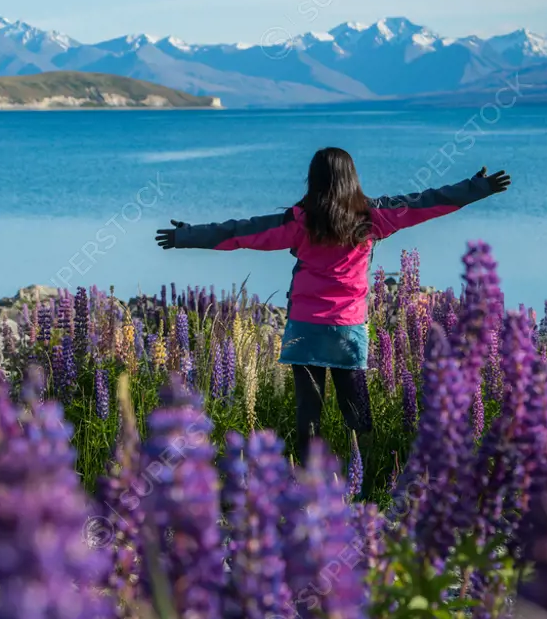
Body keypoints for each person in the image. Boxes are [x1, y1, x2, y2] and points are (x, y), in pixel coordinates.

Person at [154, 147, 511, 466]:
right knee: (355, 405)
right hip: (348, 328)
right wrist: (477, 188)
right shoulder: (375, 216)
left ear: (313, 180)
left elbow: (242, 233)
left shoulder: (299, 220)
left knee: (308, 410)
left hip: (304, 327)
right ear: (352, 179)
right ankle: (370, 466)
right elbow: (428, 202)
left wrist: (187, 235)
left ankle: (309, 479)